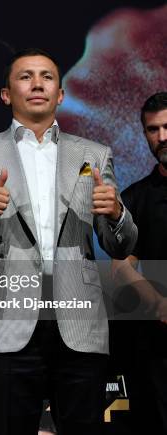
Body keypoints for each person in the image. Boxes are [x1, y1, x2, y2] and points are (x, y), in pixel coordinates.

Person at [0, 48, 137, 435]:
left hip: (77, 318)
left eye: (47, 76)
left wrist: (116, 215)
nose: (37, 84)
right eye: (25, 76)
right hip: (6, 318)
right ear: (6, 94)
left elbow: (120, 246)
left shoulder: (94, 155)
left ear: (60, 94)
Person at [112, 92, 167, 432]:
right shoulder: (135, 197)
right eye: (153, 129)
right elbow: (121, 267)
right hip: (158, 348)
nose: (162, 137)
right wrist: (158, 303)